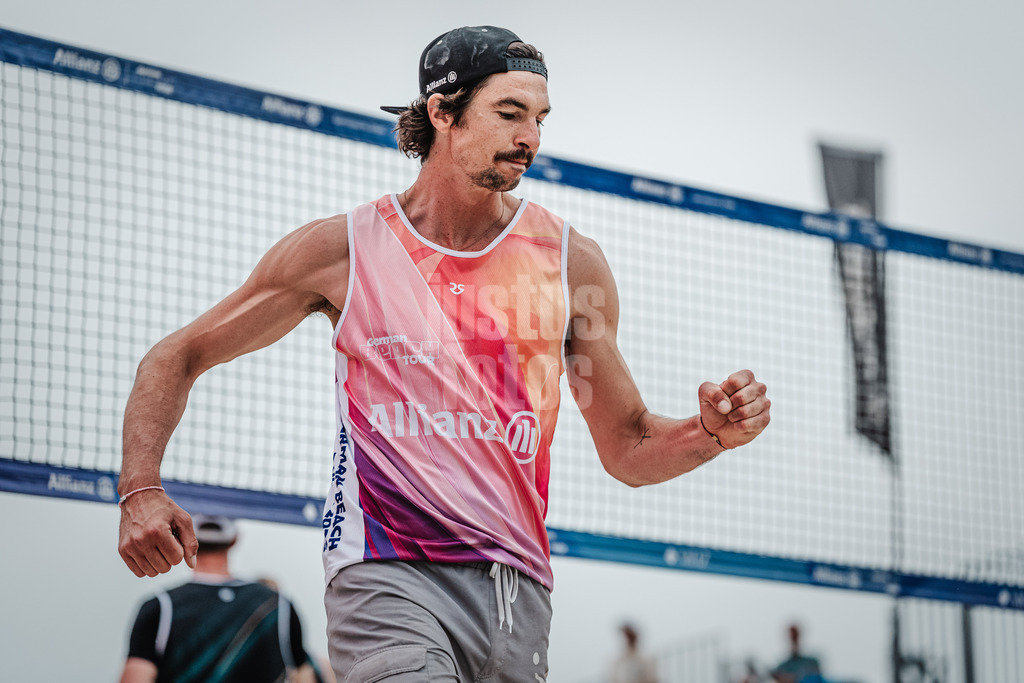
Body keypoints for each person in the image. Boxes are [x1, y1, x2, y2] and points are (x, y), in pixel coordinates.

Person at [116, 25, 771, 682]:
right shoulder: (343, 250)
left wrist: (709, 433)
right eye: (509, 113)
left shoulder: (571, 263)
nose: (531, 138)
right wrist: (140, 489)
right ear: (442, 111)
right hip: (387, 575)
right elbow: (176, 356)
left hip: (518, 591)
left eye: (540, 118)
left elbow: (628, 446)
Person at [120, 514, 321, 683]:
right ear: (235, 539)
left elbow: (136, 677)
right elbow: (304, 676)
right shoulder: (278, 605)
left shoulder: (161, 605)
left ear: (183, 537)